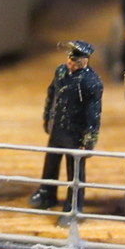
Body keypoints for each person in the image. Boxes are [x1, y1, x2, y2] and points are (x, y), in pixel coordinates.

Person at [28, 40, 103, 213]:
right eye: (70, 57)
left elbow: (93, 113)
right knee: (51, 162)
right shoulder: (61, 72)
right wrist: (47, 117)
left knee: (75, 172)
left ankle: (73, 205)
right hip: (58, 128)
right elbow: (51, 94)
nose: (70, 61)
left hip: (76, 133)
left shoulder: (91, 82)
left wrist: (89, 140)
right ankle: (46, 192)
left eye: (75, 59)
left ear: (85, 60)